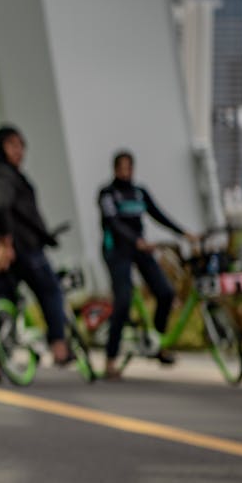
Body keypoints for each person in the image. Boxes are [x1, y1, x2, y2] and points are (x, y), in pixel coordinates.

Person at [0, 125, 72, 382]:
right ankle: (59, 345)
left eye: (21, 146)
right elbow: (0, 205)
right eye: (14, 145)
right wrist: (6, 242)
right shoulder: (5, 176)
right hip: (20, 248)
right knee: (50, 289)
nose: (20, 152)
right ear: (1, 147)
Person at [97, 150, 198, 379]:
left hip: (141, 249)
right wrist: (136, 241)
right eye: (121, 167)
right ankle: (110, 360)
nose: (126, 172)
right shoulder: (108, 194)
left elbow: (159, 215)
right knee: (123, 300)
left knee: (165, 292)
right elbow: (112, 223)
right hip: (117, 251)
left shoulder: (139, 193)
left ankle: (158, 345)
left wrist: (184, 233)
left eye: (129, 167)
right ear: (115, 169)